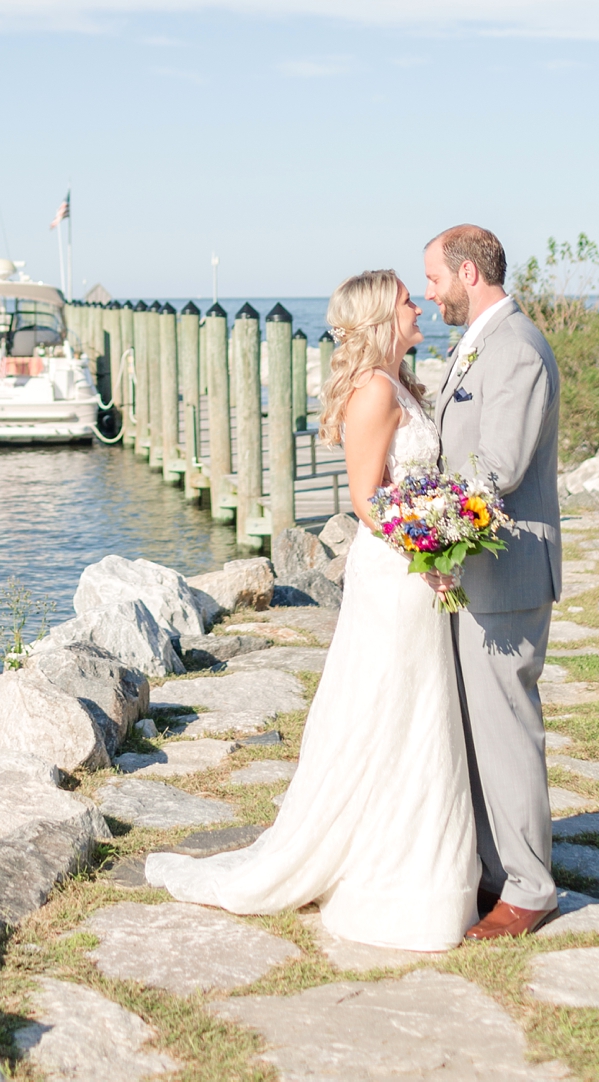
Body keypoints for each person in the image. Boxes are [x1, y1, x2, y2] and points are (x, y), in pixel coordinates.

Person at [144, 268, 479, 952]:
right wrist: (430, 551)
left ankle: (424, 856)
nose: (420, 306)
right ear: (384, 316)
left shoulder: (404, 384)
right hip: (396, 574)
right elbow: (365, 499)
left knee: (420, 711)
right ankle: (381, 865)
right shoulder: (375, 391)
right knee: (389, 706)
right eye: (409, 301)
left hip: (417, 573)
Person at [424, 224, 561, 939]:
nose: (429, 291)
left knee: (507, 731)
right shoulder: (476, 343)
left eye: (435, 278)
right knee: (477, 732)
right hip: (473, 566)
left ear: (469, 271)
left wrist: (424, 517)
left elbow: (499, 468)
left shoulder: (516, 349)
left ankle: (531, 889)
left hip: (505, 570)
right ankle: (493, 871)